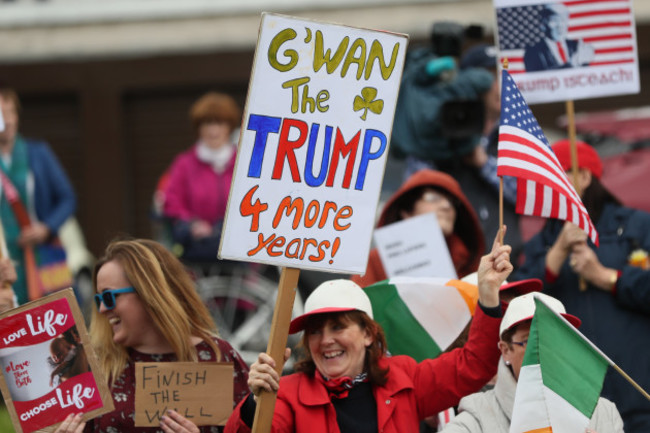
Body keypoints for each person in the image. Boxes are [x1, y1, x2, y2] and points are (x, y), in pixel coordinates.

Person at [225, 228, 513, 433]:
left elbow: (473, 366)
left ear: (368, 334)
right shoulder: (286, 393)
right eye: (314, 331)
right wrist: (254, 404)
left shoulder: (406, 378)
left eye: (338, 326)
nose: (325, 340)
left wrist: (487, 294)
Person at [514, 139, 650, 433]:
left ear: (585, 177)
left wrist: (608, 277)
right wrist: (555, 255)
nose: (548, 188)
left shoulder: (637, 226)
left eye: (557, 177)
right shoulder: (540, 244)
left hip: (640, 389)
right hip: (577, 401)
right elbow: (517, 307)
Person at [55, 238, 249, 433]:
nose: (103, 309)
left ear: (149, 292)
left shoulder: (218, 357)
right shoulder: (95, 370)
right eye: (98, 299)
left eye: (109, 297)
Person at [441, 291, 624, 433]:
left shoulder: (604, 412)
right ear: (505, 350)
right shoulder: (479, 412)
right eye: (530, 341)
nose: (546, 351)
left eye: (556, 339)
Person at [0, 86, 77, 304]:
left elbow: (68, 198)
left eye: (10, 112)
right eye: (0, 114)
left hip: (42, 251)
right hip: (5, 258)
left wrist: (46, 228)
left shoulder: (38, 153)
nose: (7, 121)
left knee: (56, 313)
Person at [352, 169, 484, 287]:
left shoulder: (471, 264)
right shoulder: (376, 262)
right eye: (433, 198)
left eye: (452, 202)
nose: (446, 206)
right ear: (406, 211)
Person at [163, 92, 241, 262]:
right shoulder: (184, 164)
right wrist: (193, 224)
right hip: (196, 250)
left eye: (219, 123)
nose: (213, 130)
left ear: (229, 127)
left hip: (237, 252)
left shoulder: (243, 163)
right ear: (198, 128)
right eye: (207, 124)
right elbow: (171, 201)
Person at [524, 3, 595, 72]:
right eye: (554, 21)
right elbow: (536, 78)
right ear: (543, 25)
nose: (560, 25)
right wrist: (570, 65)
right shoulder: (533, 52)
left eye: (563, 20)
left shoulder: (575, 46)